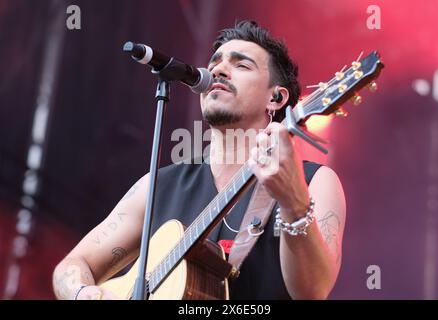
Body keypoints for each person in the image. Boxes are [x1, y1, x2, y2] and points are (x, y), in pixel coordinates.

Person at [53, 20, 346, 300]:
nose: (219, 70)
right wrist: (84, 293)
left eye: (241, 64)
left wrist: (294, 203)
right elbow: (73, 266)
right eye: (215, 62)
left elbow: (313, 291)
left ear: (276, 98)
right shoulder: (159, 186)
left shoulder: (313, 182)